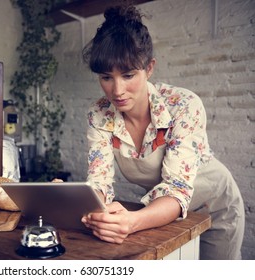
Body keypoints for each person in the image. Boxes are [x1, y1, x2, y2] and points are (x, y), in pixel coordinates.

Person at [80, 4, 245, 260]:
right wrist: (95, 207)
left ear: (149, 68)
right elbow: (99, 179)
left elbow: (176, 188)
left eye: (128, 75)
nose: (117, 90)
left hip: (215, 207)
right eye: (106, 77)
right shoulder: (99, 113)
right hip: (160, 211)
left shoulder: (183, 105)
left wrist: (132, 222)